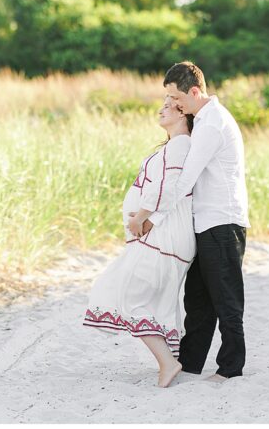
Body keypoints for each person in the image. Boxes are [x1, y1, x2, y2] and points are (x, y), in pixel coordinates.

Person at [128, 61, 250, 383]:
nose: (174, 104)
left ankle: (230, 368)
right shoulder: (202, 119)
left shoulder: (211, 124)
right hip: (204, 223)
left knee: (226, 298)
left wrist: (153, 218)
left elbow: (184, 181)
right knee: (197, 297)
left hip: (223, 222)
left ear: (194, 91)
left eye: (177, 97)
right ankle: (191, 362)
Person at [82, 96, 196, 388]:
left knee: (129, 293)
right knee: (144, 295)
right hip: (159, 232)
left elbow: (168, 188)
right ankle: (169, 359)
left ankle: (168, 362)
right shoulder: (174, 145)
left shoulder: (181, 144)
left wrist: (141, 217)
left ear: (183, 113)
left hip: (164, 234)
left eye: (169, 106)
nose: (161, 109)